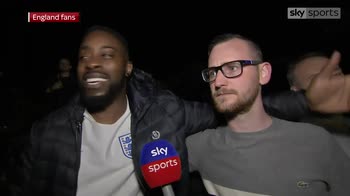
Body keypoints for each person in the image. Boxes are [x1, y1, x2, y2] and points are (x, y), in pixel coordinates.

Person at [13, 25, 217, 196]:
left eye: (107, 54)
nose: (91, 62)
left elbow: (221, 112)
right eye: (83, 56)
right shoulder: (45, 133)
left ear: (128, 68)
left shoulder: (164, 111)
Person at [186, 33, 350, 196]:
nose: (218, 82)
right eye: (212, 73)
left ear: (263, 73)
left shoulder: (316, 140)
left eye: (233, 67)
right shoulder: (201, 146)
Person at [286, 50, 350, 156]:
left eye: (337, 73)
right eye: (316, 78)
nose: (331, 82)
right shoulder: (290, 140)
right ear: (295, 91)